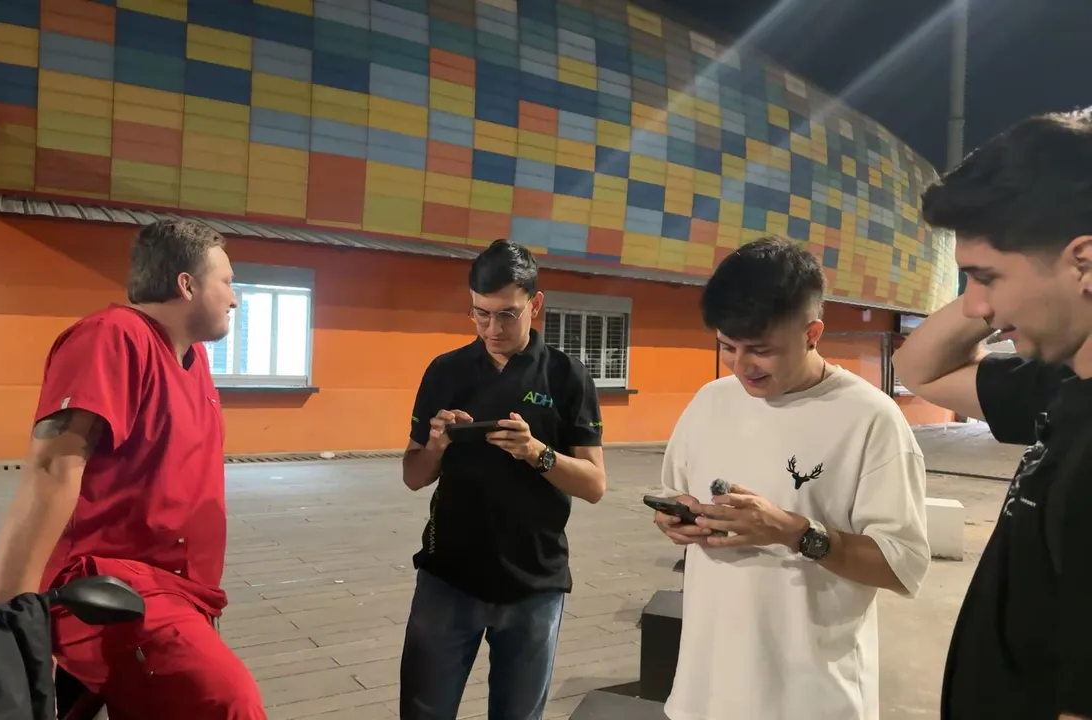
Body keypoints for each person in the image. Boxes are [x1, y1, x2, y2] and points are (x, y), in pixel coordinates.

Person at [0, 219, 267, 719]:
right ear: (187, 284)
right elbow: (51, 470)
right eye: (227, 282)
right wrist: (10, 623)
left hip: (180, 591)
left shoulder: (194, 358)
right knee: (228, 700)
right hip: (110, 586)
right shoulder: (112, 337)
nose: (235, 299)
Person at [653, 237, 930, 720]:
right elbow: (673, 493)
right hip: (704, 693)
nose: (742, 366)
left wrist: (793, 532)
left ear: (812, 333)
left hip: (813, 699)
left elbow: (902, 564)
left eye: (761, 350)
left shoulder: (870, 419)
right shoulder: (709, 402)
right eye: (727, 347)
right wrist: (675, 519)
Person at [891, 107, 1092, 720]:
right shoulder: (1060, 385)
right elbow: (919, 369)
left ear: (1084, 262)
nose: (974, 306)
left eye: (985, 277)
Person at [398, 239, 607, 720]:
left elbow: (595, 484)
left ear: (536, 304)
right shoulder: (445, 371)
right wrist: (436, 444)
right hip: (448, 575)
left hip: (534, 582)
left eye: (507, 315)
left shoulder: (567, 376)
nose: (493, 329)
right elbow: (413, 476)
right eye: (481, 314)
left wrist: (536, 453)